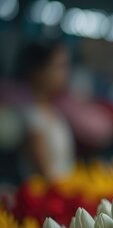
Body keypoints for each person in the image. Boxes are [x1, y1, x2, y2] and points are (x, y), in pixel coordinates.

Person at [17, 40, 75, 182]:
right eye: (59, 67)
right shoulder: (33, 118)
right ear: (38, 72)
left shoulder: (54, 111)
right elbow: (46, 175)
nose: (65, 73)